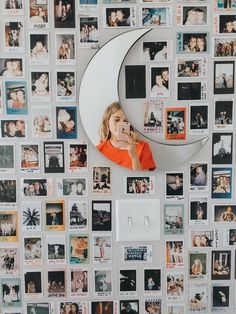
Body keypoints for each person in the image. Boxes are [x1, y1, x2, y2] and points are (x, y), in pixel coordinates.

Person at [96, 102, 156, 170]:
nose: (121, 124)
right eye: (117, 120)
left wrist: (134, 157)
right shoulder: (98, 150)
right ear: (107, 121)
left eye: (126, 121)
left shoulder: (143, 147)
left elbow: (144, 178)